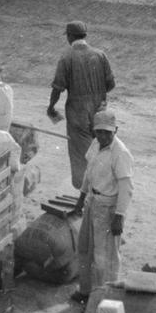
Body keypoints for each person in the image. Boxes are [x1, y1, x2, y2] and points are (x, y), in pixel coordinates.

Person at [71, 107, 133, 301]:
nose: (103, 136)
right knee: (85, 250)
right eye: (99, 131)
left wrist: (119, 217)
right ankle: (85, 291)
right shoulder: (95, 144)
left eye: (107, 132)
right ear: (94, 131)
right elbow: (88, 175)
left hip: (108, 208)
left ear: (116, 130)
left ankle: (106, 298)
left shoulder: (120, 153)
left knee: (105, 258)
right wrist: (81, 199)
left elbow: (126, 188)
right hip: (91, 202)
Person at [46, 20, 115, 189]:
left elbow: (58, 88)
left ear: (69, 36)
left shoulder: (66, 57)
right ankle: (104, 183)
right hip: (100, 110)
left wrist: (51, 107)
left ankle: (85, 190)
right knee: (101, 147)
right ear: (85, 35)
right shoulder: (100, 55)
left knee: (81, 153)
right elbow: (111, 84)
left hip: (78, 112)